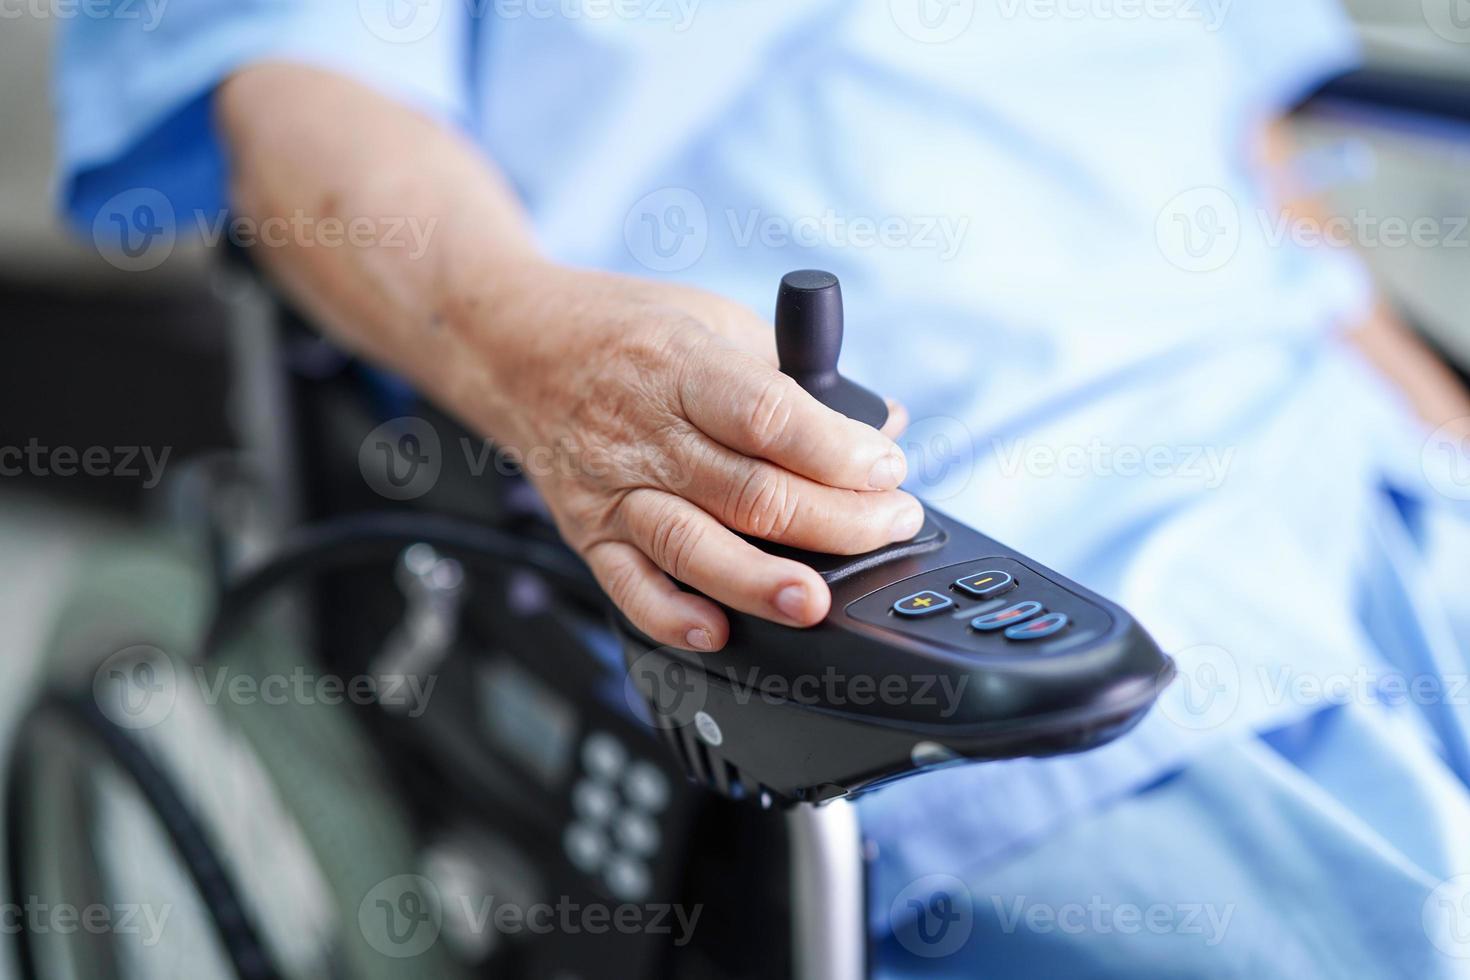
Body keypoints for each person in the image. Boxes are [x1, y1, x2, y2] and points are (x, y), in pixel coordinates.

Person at [58, 1, 1470, 974]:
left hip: (1345, 450)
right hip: (955, 568)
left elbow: (1248, 134)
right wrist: (536, 347)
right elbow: (297, 96)